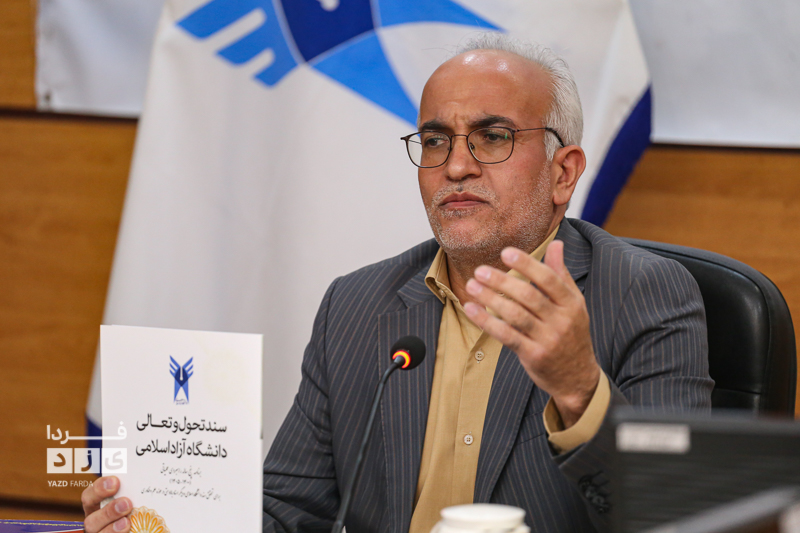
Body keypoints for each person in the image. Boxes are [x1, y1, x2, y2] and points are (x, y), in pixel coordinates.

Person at [81, 34, 713, 533]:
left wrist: (578, 388)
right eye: (435, 141)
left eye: (492, 137)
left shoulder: (645, 295)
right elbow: (289, 510)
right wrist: (168, 521)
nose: (456, 165)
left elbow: (675, 517)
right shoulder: (358, 306)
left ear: (564, 172)